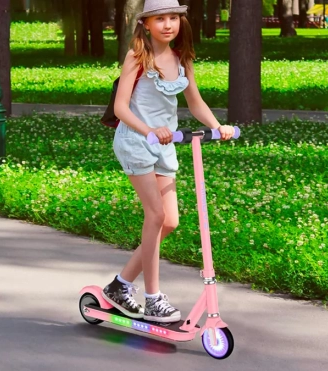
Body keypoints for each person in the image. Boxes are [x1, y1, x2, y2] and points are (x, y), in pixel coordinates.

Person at [102, 0, 235, 323]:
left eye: (173, 18)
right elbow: (121, 108)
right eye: (159, 18)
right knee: (156, 214)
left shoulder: (181, 59)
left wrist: (219, 127)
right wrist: (150, 130)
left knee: (170, 221)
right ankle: (153, 298)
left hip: (165, 144)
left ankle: (120, 285)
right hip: (136, 140)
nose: (167, 24)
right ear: (146, 24)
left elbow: (195, 101)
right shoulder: (137, 57)